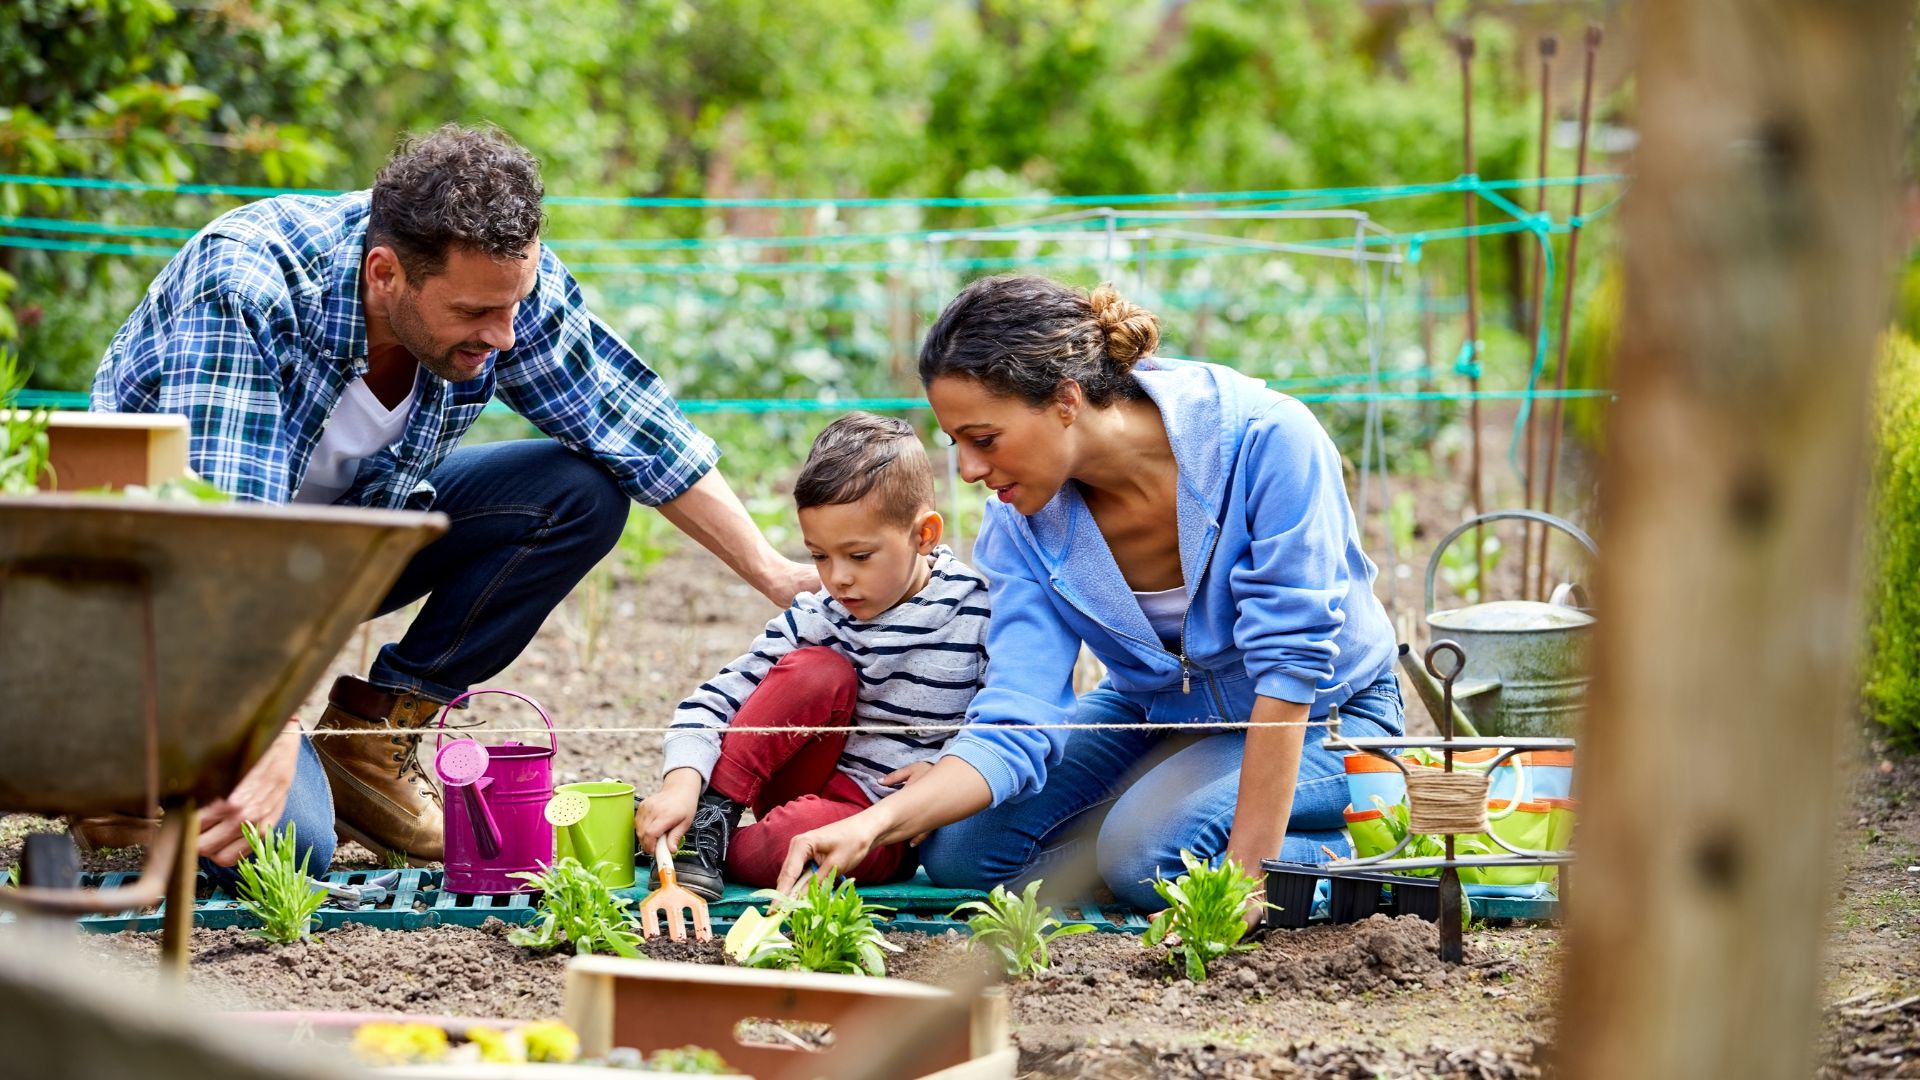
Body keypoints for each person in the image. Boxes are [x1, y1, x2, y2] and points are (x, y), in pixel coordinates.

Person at [84, 124, 816, 875]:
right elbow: (219, 539)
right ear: (386, 274)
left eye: (513, 306)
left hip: (323, 557)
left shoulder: (499, 286)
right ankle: (114, 761)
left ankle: (368, 744)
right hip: (154, 596)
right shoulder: (248, 285)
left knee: (577, 494)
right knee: (287, 845)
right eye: (474, 316)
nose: (503, 335)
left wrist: (775, 573)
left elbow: (635, 428)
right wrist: (266, 732)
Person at [773, 275, 1403, 923]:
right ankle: (1153, 826)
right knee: (962, 853)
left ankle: (1368, 846)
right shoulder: (1020, 521)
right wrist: (876, 823)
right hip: (1158, 713)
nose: (965, 470)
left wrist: (1245, 880)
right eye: (954, 442)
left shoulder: (1265, 441)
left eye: (983, 439)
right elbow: (1020, 707)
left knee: (1149, 859)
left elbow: (1290, 667)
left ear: (1066, 400)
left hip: (1330, 715)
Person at [634, 412, 990, 899]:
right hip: (800, 776)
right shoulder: (821, 613)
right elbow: (714, 701)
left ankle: (679, 842)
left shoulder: (977, 612)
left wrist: (945, 770)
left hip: (883, 823)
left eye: (858, 556)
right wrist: (682, 782)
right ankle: (705, 819)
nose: (837, 578)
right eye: (819, 556)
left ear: (923, 535)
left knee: (792, 840)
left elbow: (1002, 723)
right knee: (817, 670)